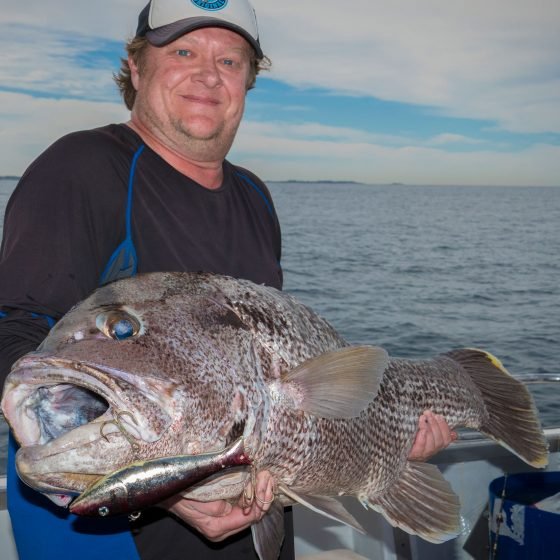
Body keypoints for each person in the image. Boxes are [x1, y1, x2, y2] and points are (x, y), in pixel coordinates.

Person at [0, 1, 457, 559]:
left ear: (248, 80)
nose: (207, 75)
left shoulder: (254, 196)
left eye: (231, 61)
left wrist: (387, 440)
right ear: (137, 68)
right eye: (183, 52)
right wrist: (166, 486)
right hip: (116, 536)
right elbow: (15, 338)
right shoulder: (83, 167)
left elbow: (275, 378)